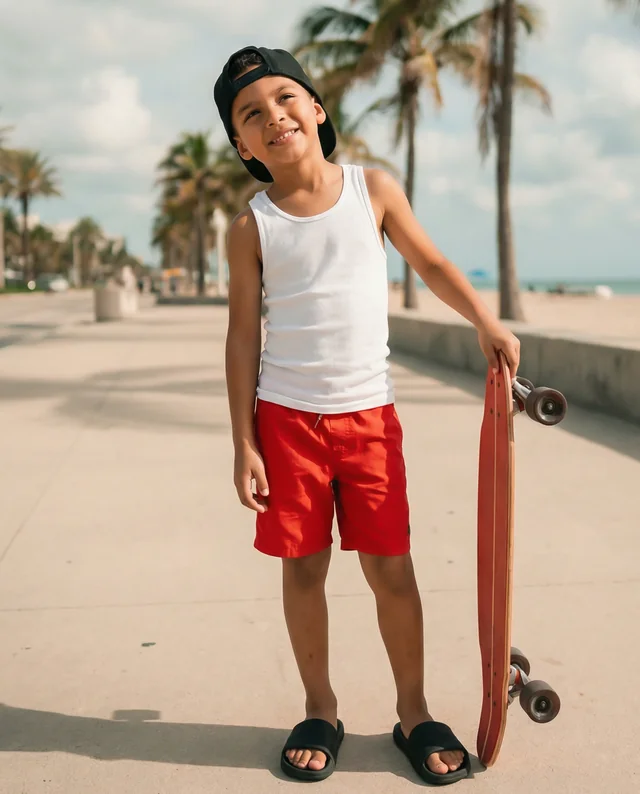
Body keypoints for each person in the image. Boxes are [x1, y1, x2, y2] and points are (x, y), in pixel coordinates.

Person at [214, 46, 520, 785]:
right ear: (242, 146)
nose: (273, 116)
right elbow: (242, 333)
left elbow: (434, 263)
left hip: (368, 421)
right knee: (303, 569)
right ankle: (320, 706)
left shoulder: (371, 189)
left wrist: (485, 318)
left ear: (317, 109)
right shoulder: (251, 227)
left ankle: (413, 710)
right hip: (288, 422)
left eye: (286, 98)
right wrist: (243, 442)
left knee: (392, 570)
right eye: (251, 115)